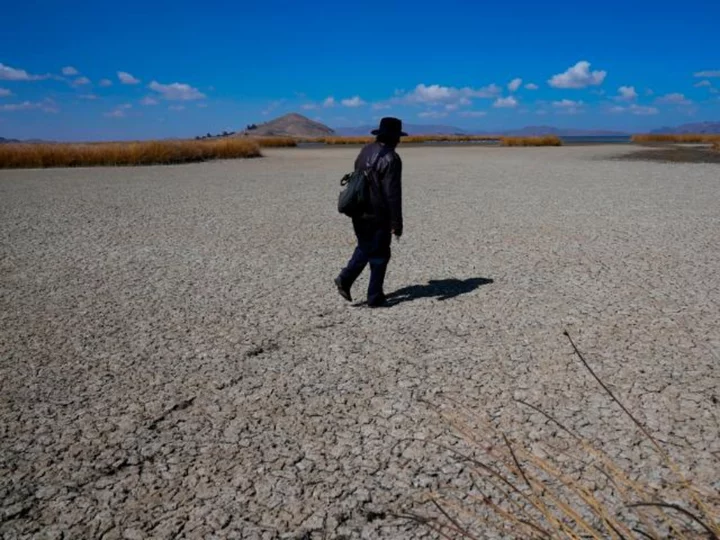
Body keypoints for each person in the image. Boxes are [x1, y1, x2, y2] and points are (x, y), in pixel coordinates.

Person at [334, 117, 405, 307]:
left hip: (358, 208)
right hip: (377, 213)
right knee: (380, 254)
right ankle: (375, 296)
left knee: (365, 246)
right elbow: (392, 194)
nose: (399, 141)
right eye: (398, 137)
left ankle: (346, 279)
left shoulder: (365, 150)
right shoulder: (392, 158)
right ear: (394, 138)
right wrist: (396, 223)